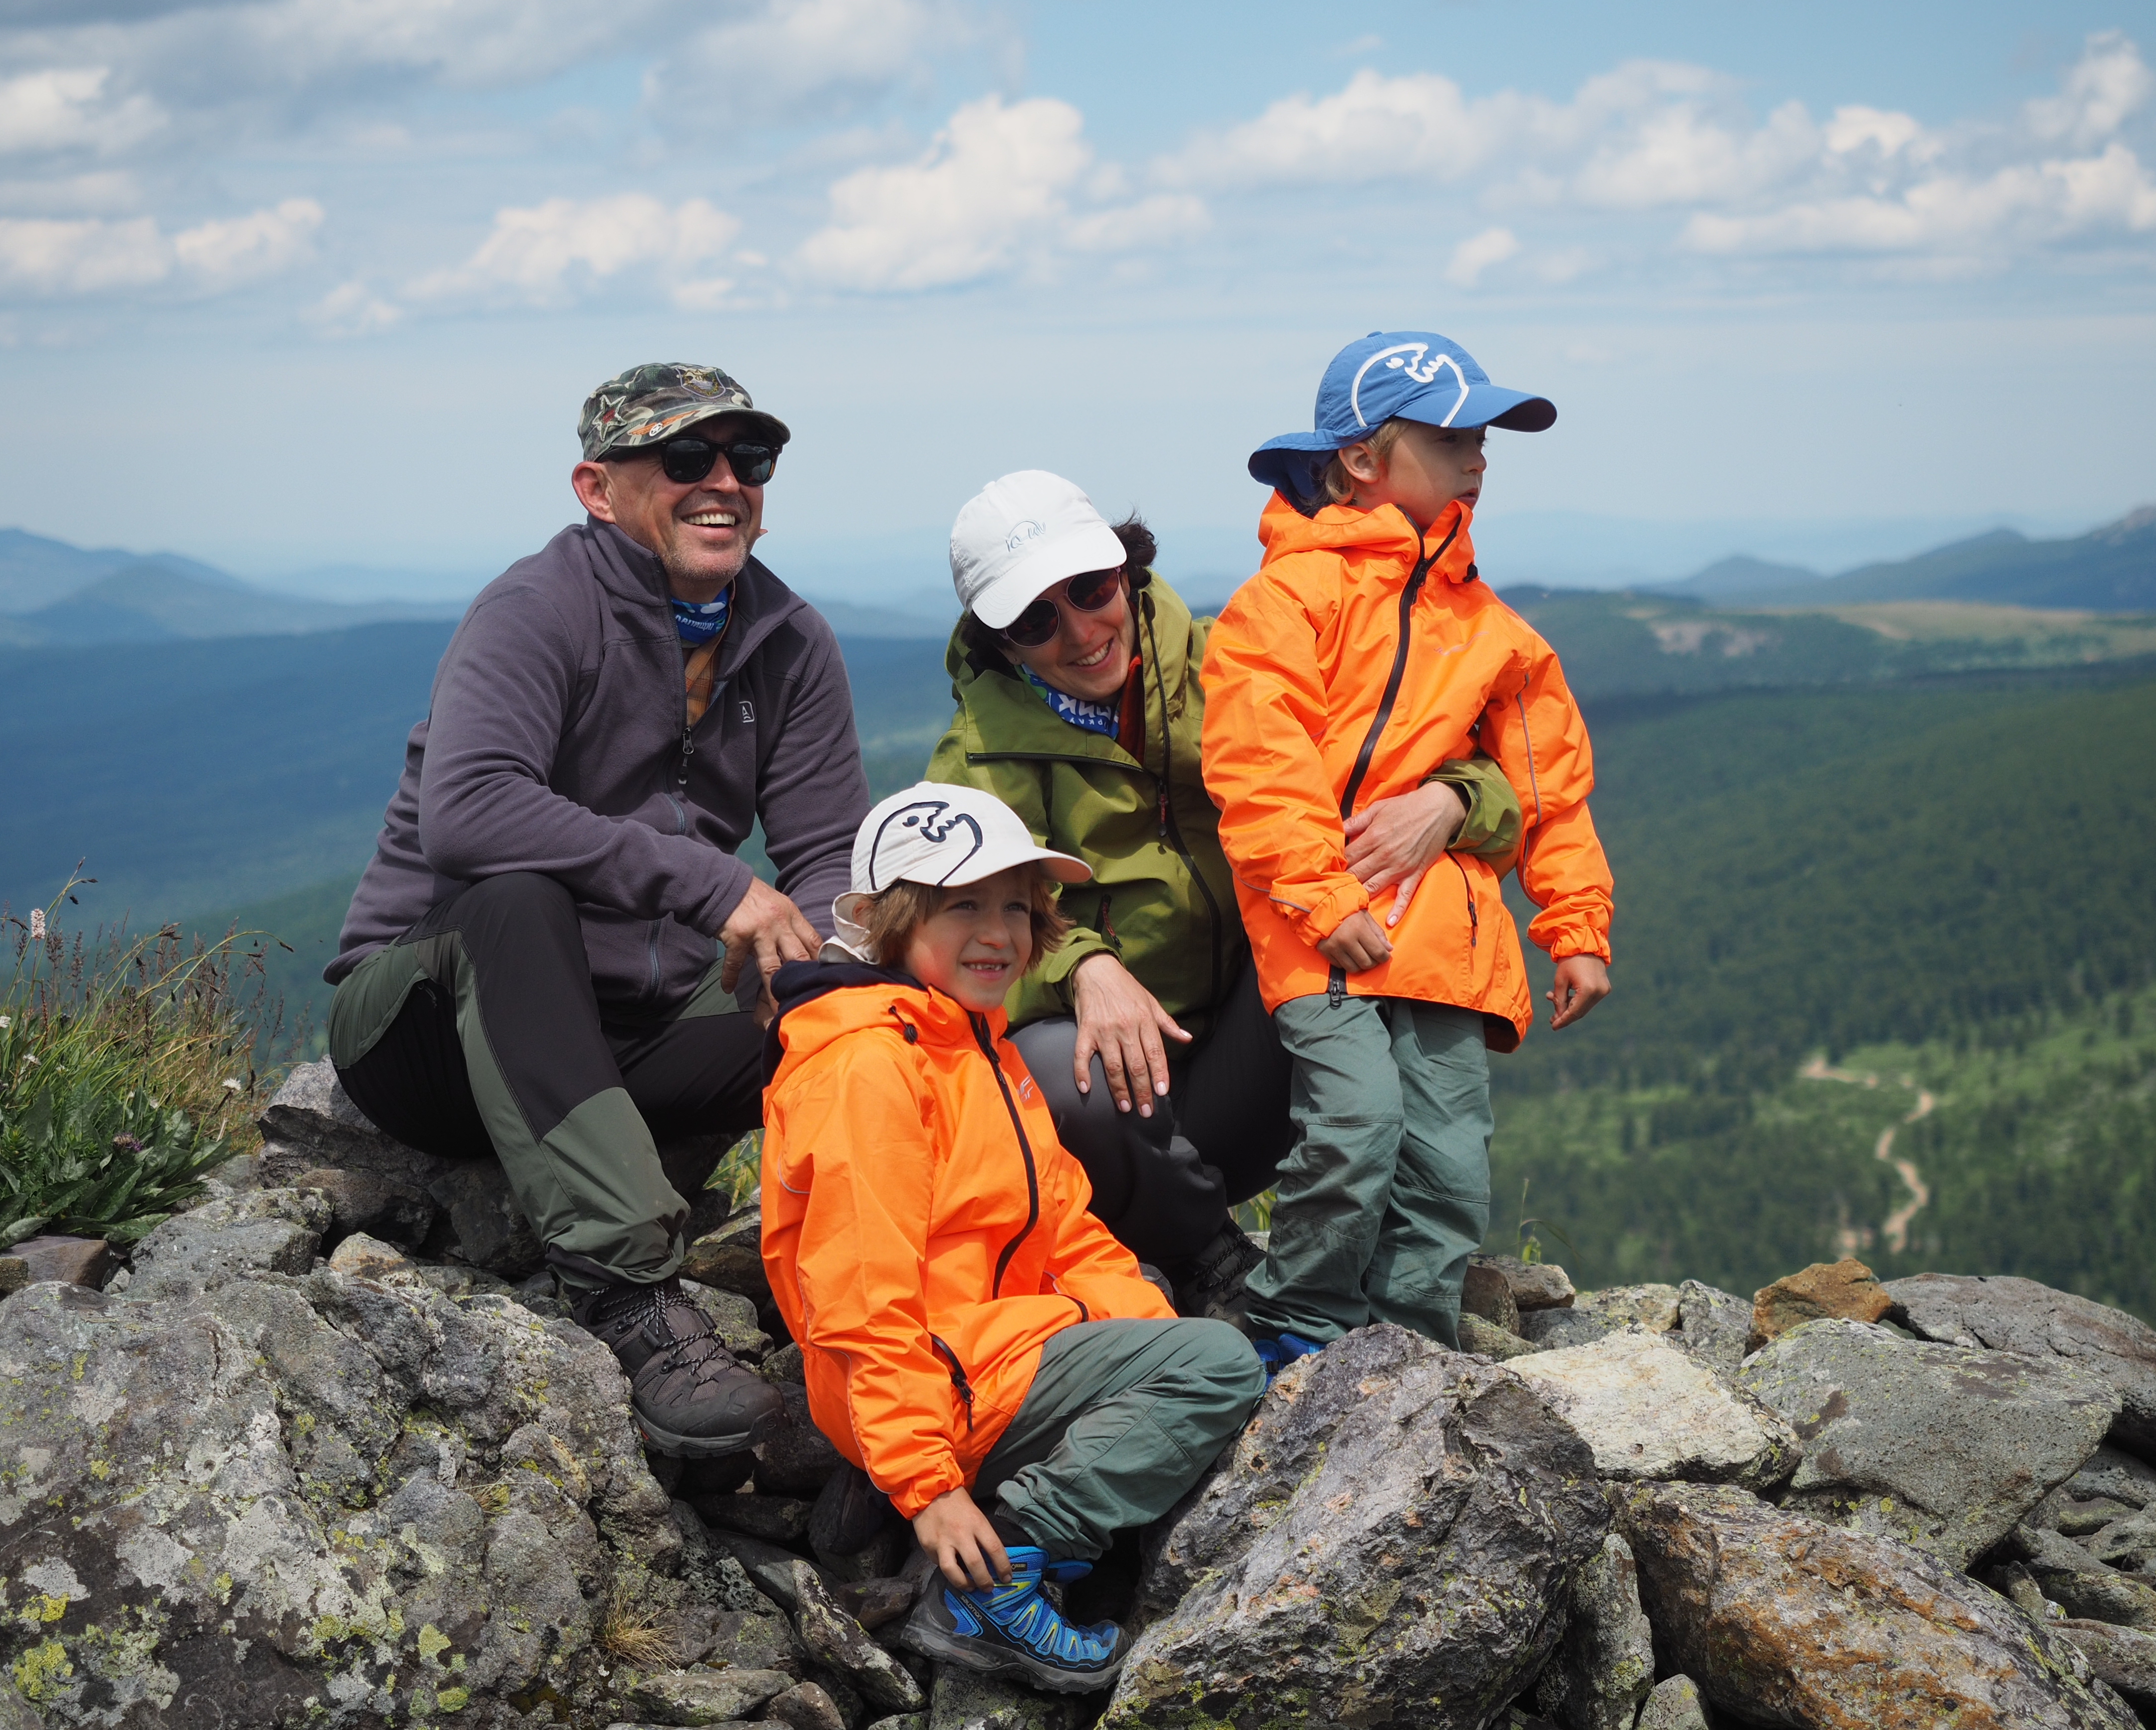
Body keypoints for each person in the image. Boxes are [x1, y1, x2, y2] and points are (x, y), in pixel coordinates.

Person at [323, 362, 871, 1457]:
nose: (724, 481)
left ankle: (899, 1306)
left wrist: (827, 978)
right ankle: (632, 1300)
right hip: (429, 1029)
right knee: (517, 899)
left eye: (749, 459)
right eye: (685, 457)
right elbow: (469, 813)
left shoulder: (786, 638)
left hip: (628, 1028)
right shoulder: (538, 610)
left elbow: (825, 853)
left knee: (870, 1013)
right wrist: (713, 884)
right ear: (597, 487)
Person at [926, 470, 1524, 1319]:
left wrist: (1454, 800)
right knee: (1061, 1072)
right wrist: (1083, 965)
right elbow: (962, 940)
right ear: (1001, 644)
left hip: (1254, 1066)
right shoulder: (978, 760)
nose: (1081, 631)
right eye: (1035, 620)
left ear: (1126, 569)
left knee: (1381, 916)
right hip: (1119, 1117)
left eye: (1090, 589)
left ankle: (1396, 1265)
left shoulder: (1240, 660)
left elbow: (1478, 766)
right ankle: (1205, 1252)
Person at [760, 782, 1264, 1692]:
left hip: (976, 1350)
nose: (1000, 934)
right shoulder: (870, 1067)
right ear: (885, 921)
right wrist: (929, 1488)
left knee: (1153, 1300)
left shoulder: (967, 1042)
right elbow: (863, 1300)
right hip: (936, 1374)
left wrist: (1142, 1333)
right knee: (1220, 1367)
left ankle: (962, 1510)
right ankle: (996, 1576)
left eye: (1018, 908)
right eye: (964, 906)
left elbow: (1066, 1226)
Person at [1200, 330, 1616, 1367]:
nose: (1479, 458)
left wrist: (1576, 925)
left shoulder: (1495, 630)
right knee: (1354, 1132)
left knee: (1448, 1175)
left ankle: (1405, 1360)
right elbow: (1258, 765)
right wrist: (1321, 896)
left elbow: (1548, 788)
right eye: (1453, 438)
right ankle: (1296, 1329)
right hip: (1322, 931)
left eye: (1483, 439)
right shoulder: (1283, 602)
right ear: (1361, 459)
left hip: (1448, 943)